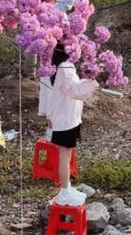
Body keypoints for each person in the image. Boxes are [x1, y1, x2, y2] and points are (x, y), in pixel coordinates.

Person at [38, 41, 99, 206]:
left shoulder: (55, 65)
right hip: (66, 119)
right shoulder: (65, 67)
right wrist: (91, 80)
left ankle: (67, 188)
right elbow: (75, 90)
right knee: (64, 157)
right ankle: (64, 191)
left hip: (64, 117)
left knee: (66, 155)